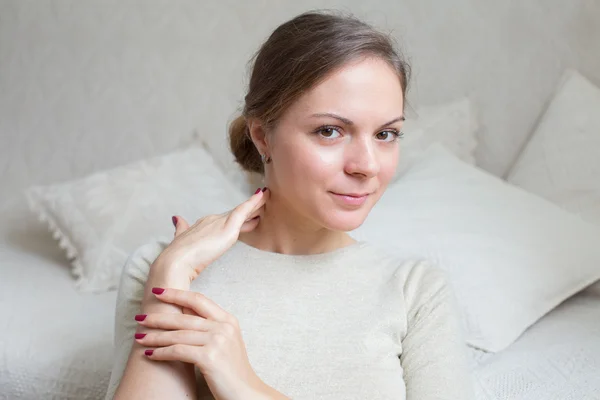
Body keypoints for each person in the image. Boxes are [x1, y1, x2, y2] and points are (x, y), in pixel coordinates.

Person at [104, 10, 474, 400]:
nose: (366, 165)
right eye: (330, 131)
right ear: (263, 136)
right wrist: (172, 271)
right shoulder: (161, 268)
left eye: (386, 134)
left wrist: (245, 384)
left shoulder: (415, 290)